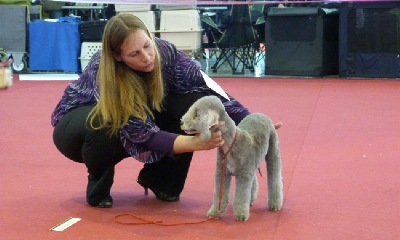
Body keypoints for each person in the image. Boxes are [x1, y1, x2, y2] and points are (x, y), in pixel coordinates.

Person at [51, 13, 280, 208]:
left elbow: (207, 88)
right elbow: (141, 132)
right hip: (78, 128)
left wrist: (250, 121)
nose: (147, 57)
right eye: (134, 55)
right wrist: (195, 144)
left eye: (147, 46)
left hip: (137, 117)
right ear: (118, 57)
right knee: (103, 121)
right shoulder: (104, 70)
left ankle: (163, 182)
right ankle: (98, 187)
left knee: (191, 103)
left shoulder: (166, 52)